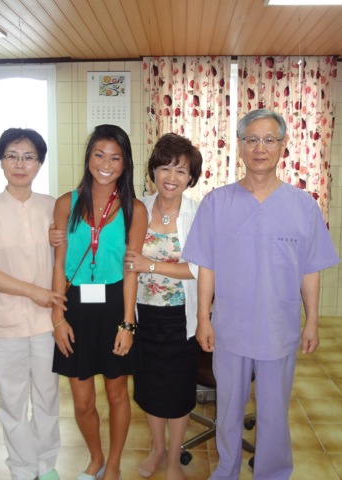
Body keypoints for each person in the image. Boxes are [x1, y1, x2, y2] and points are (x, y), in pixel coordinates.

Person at [182, 109, 339, 480]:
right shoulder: (217, 203)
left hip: (278, 329)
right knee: (229, 410)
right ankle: (227, 470)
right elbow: (207, 267)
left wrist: (312, 321)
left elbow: (310, 270)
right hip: (230, 329)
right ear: (239, 146)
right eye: (251, 139)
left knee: (273, 412)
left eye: (269, 140)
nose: (260, 148)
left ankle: (272, 473)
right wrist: (204, 318)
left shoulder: (303, 206)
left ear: (283, 146)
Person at [0, 128, 67, 480]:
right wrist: (32, 292)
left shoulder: (53, 206)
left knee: (47, 398)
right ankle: (22, 469)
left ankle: (46, 465)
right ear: (1, 160)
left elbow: (66, 260)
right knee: (12, 401)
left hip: (46, 322)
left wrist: (60, 242)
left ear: (39, 163)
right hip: (6, 323)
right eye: (12, 155)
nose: (20, 164)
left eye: (28, 157)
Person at [51, 124, 148, 480]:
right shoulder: (66, 203)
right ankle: (95, 457)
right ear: (88, 157)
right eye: (99, 154)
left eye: (115, 157)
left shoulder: (134, 209)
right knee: (82, 400)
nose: (106, 164)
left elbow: (131, 269)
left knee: (116, 392)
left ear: (125, 164)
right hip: (74, 305)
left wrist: (127, 324)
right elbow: (59, 265)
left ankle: (116, 463)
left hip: (113, 305)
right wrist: (57, 317)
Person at [123, 133, 203, 479]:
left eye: (181, 171)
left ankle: (174, 457)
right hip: (144, 315)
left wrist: (149, 265)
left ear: (191, 178)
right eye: (165, 167)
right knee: (150, 388)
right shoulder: (138, 207)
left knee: (180, 391)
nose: (171, 177)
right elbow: (125, 260)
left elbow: (197, 269)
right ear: (153, 170)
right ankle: (157, 449)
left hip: (180, 317)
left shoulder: (198, 213)